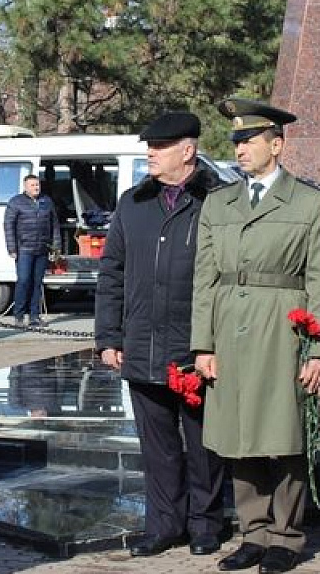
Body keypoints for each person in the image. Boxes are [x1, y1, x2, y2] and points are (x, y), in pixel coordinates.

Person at [191, 101, 320, 574]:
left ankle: (286, 536)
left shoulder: (310, 204)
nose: (240, 149)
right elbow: (205, 278)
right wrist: (203, 344)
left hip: (282, 327)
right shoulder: (219, 202)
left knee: (284, 434)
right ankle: (252, 532)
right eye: (236, 141)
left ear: (277, 144)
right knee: (238, 434)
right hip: (230, 328)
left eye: (249, 140)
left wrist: (319, 349)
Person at [95, 111, 228, 558]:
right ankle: (164, 525)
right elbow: (112, 272)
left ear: (187, 151)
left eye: (161, 146)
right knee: (157, 447)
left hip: (195, 349)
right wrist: (108, 337)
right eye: (149, 145)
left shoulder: (219, 200)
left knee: (204, 444)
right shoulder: (133, 203)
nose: (150, 153)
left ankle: (207, 524)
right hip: (142, 345)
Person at [4, 174, 60, 326]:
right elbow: (8, 226)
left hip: (41, 248)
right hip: (24, 249)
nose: (36, 187)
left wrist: (56, 247)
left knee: (37, 283)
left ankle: (35, 316)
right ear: (25, 187)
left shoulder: (46, 201)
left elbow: (54, 225)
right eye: (32, 185)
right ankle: (19, 316)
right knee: (23, 281)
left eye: (37, 185)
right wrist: (11, 248)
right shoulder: (16, 202)